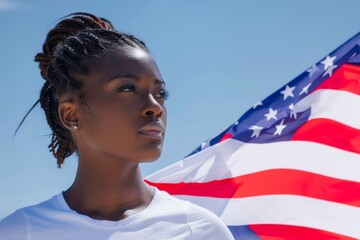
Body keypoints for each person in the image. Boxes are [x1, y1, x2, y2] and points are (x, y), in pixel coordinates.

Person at [0, 12, 235, 240]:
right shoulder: (20, 232)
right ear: (71, 114)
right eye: (127, 89)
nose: (155, 107)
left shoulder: (200, 230)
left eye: (161, 93)